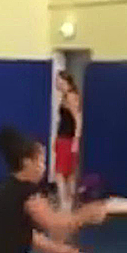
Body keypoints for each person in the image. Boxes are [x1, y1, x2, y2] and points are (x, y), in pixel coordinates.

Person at [54, 71, 82, 210]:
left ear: (66, 82)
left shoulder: (71, 97)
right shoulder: (65, 96)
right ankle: (69, 202)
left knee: (60, 173)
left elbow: (78, 119)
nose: (57, 83)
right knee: (69, 173)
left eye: (59, 81)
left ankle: (64, 202)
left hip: (67, 139)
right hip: (63, 138)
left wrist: (76, 140)